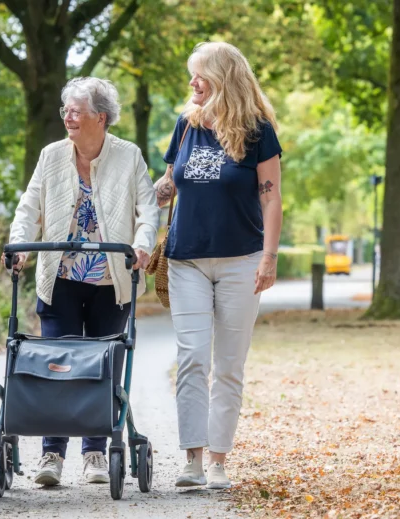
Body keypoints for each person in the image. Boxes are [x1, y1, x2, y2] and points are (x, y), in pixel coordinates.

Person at [8, 77, 160, 487]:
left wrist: (142, 246)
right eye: (65, 110)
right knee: (57, 364)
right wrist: (19, 244)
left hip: (112, 279)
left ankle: (96, 453)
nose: (67, 117)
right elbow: (29, 206)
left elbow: (148, 210)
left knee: (102, 368)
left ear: (101, 117)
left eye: (75, 111)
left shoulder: (128, 156)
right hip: (59, 276)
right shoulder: (52, 155)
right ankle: (51, 455)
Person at [155, 42, 283, 490]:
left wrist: (269, 256)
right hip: (186, 258)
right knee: (192, 359)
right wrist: (154, 190)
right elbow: (171, 182)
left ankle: (218, 462)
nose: (192, 83)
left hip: (241, 261)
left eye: (200, 75)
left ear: (223, 79)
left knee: (229, 365)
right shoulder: (185, 126)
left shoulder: (257, 130)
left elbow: (270, 196)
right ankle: (191, 459)